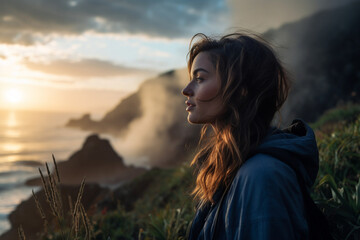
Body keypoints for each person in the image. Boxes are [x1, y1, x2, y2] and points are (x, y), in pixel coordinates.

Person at [181, 33, 323, 240]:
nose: (186, 90)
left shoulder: (263, 177)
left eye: (200, 78)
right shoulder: (231, 164)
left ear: (241, 91)